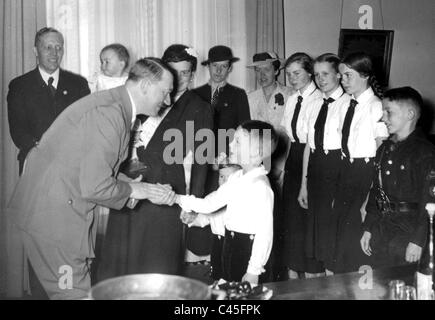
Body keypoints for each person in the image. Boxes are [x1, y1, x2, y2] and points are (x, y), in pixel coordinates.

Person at [6, 57, 176, 299]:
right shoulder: (110, 114)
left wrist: (136, 186)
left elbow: (91, 166)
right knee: (71, 293)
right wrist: (139, 191)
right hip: (56, 225)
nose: (167, 100)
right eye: (165, 92)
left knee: (70, 291)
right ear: (146, 86)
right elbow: (96, 186)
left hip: (56, 217)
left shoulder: (114, 106)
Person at [97, 44, 213, 280]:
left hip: (165, 193)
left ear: (192, 75)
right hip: (130, 188)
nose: (180, 79)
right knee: (122, 263)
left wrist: (194, 203)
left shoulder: (200, 108)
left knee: (156, 265)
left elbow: (203, 159)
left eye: (185, 72)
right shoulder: (146, 96)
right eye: (174, 71)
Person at [177, 120, 277, 285]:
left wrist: (254, 270)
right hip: (229, 247)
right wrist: (179, 199)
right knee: (228, 291)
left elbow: (265, 234)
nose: (230, 144)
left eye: (237, 141)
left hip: (248, 252)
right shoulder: (236, 178)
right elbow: (210, 203)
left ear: (256, 153)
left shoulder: (260, 187)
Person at [189, 45, 251, 263]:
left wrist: (227, 158)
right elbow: (190, 131)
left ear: (229, 68)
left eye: (224, 67)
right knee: (201, 200)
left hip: (226, 163)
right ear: (208, 67)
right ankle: (199, 255)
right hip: (200, 162)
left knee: (224, 208)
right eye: (215, 66)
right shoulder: (195, 95)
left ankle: (221, 258)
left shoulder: (238, 95)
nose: (219, 71)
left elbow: (243, 131)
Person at [361, 86, 435, 269]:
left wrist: (418, 240)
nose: (383, 118)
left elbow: (430, 201)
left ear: (410, 114)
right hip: (382, 228)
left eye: (389, 112)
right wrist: (368, 228)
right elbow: (376, 191)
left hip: (409, 232)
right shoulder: (384, 149)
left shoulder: (425, 153)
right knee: (379, 287)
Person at [330, 52, 389, 274]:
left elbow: (382, 154)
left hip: (366, 174)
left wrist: (370, 196)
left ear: (364, 76)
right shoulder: (347, 105)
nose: (343, 80)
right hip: (346, 172)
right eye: (341, 76)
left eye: (348, 75)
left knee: (358, 238)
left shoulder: (376, 106)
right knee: (342, 240)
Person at [7, 27, 90, 175]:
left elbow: (87, 125)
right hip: (35, 164)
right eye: (48, 47)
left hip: (73, 165)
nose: (54, 53)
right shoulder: (19, 86)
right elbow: (18, 131)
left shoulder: (79, 84)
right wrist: (42, 149)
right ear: (35, 51)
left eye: (59, 48)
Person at [298, 53, 350, 275]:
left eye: (326, 73)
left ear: (338, 75)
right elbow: (309, 146)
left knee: (332, 233)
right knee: (315, 234)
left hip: (336, 168)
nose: (320, 79)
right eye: (317, 74)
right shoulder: (314, 103)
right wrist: (304, 184)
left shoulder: (348, 104)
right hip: (316, 168)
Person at [247, 51, 294, 280]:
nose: (261, 74)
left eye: (266, 69)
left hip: (282, 164)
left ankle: (280, 270)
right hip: (257, 166)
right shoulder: (250, 97)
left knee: (280, 216)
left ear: (276, 70)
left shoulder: (290, 95)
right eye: (257, 70)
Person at [280, 53, 323, 279]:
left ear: (309, 72)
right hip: (294, 158)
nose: (292, 78)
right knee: (292, 220)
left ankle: (312, 274)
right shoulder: (292, 99)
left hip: (312, 158)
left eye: (296, 73)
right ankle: (293, 273)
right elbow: (290, 138)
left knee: (307, 220)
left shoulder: (319, 100)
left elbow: (310, 142)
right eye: (288, 74)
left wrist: (305, 182)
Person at [182, 163, 242, 282]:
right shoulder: (214, 197)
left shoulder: (239, 199)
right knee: (217, 271)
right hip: (217, 242)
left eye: (229, 178)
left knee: (232, 273)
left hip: (233, 243)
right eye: (221, 177)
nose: (224, 181)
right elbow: (205, 218)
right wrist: (192, 219)